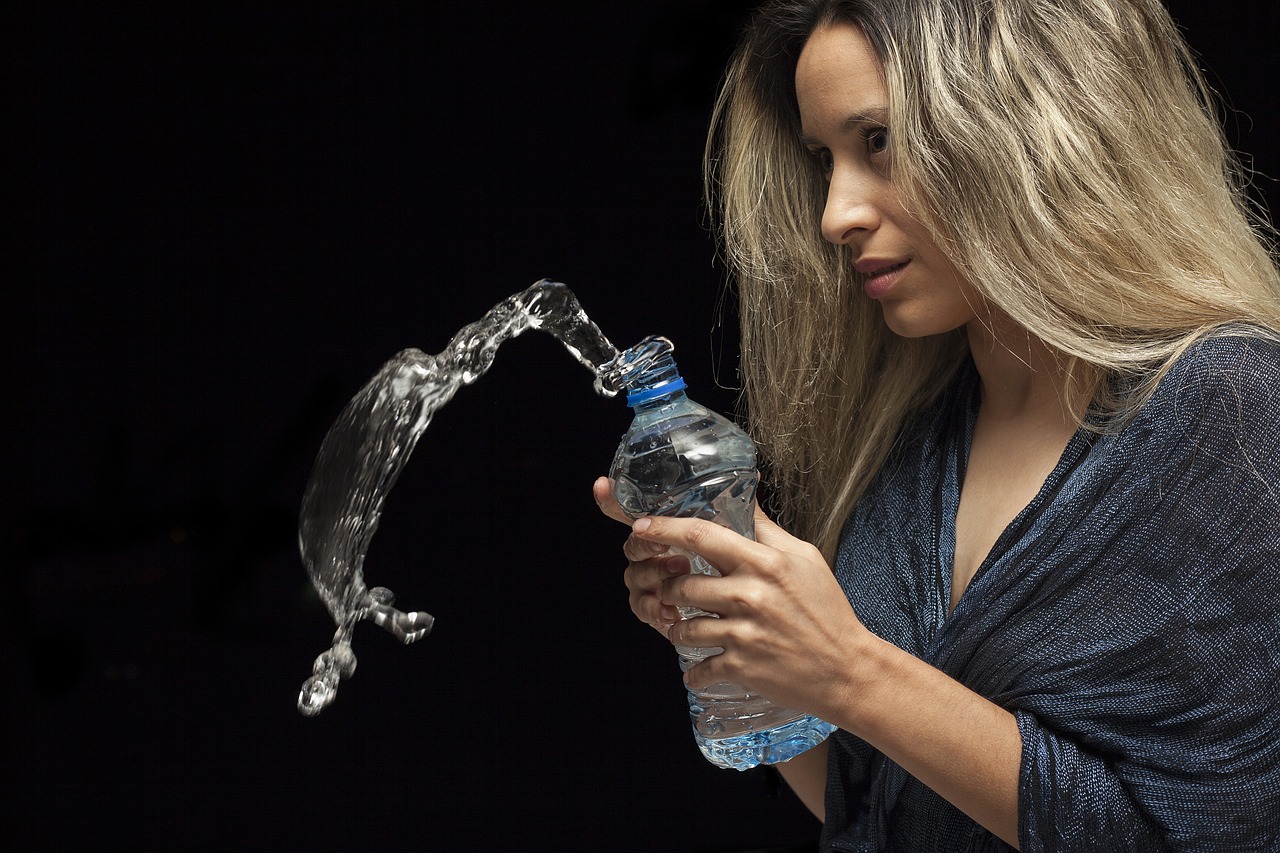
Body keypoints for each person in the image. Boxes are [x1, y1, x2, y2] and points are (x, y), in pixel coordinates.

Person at [593, 0, 1280, 849]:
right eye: (825, 159)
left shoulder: (1234, 408)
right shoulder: (918, 436)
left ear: (1031, 121)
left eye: (877, 141)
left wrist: (850, 670)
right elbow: (878, 807)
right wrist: (738, 639)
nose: (835, 212)